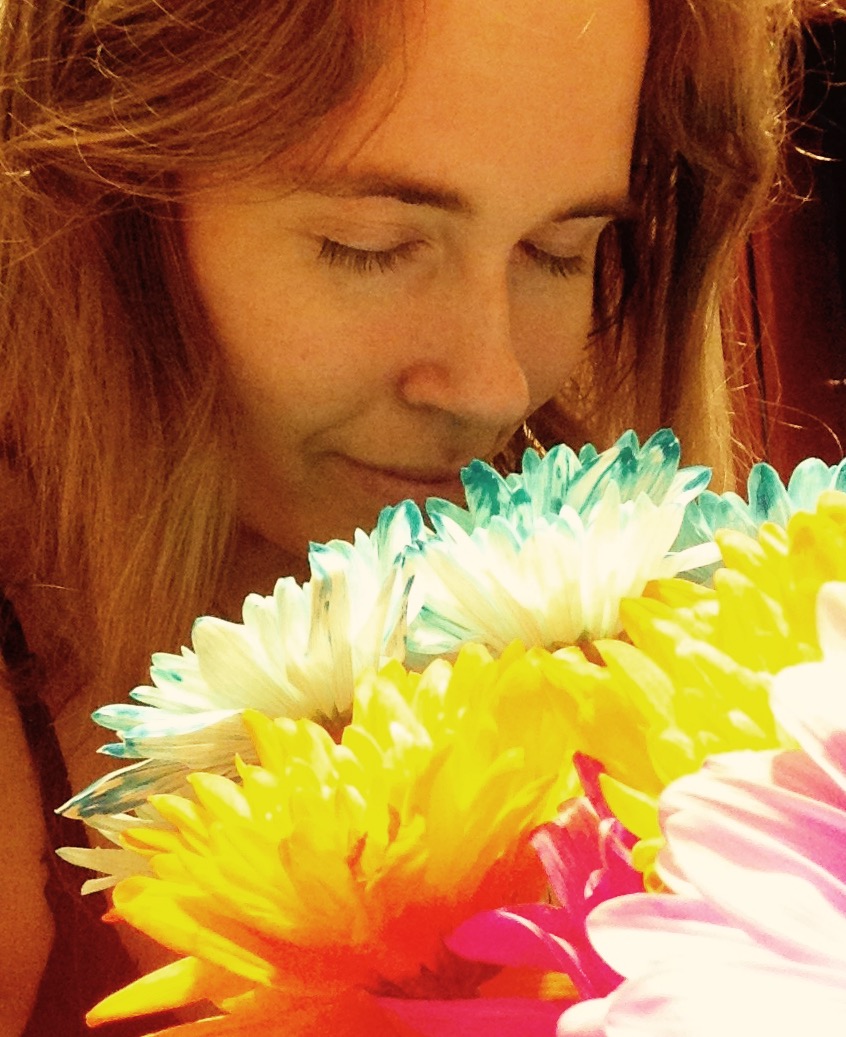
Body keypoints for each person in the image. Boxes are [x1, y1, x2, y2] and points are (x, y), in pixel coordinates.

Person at [0, 0, 839, 1033]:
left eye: (560, 249)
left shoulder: (699, 637)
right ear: (101, 207)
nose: (493, 386)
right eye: (370, 245)